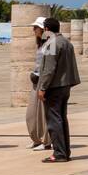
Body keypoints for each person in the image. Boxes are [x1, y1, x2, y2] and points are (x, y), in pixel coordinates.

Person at [36, 17, 81, 162]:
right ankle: (65, 151)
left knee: (54, 121)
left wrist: (42, 87)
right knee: (61, 119)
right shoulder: (66, 42)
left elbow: (49, 69)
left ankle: (59, 153)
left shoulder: (52, 43)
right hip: (65, 86)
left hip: (54, 87)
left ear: (46, 29)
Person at [25, 16, 52, 150]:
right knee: (31, 114)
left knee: (44, 114)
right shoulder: (40, 43)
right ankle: (36, 139)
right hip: (36, 82)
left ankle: (47, 141)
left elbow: (50, 66)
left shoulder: (50, 44)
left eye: (35, 27)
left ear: (43, 29)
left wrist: (44, 84)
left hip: (44, 83)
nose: (33, 30)